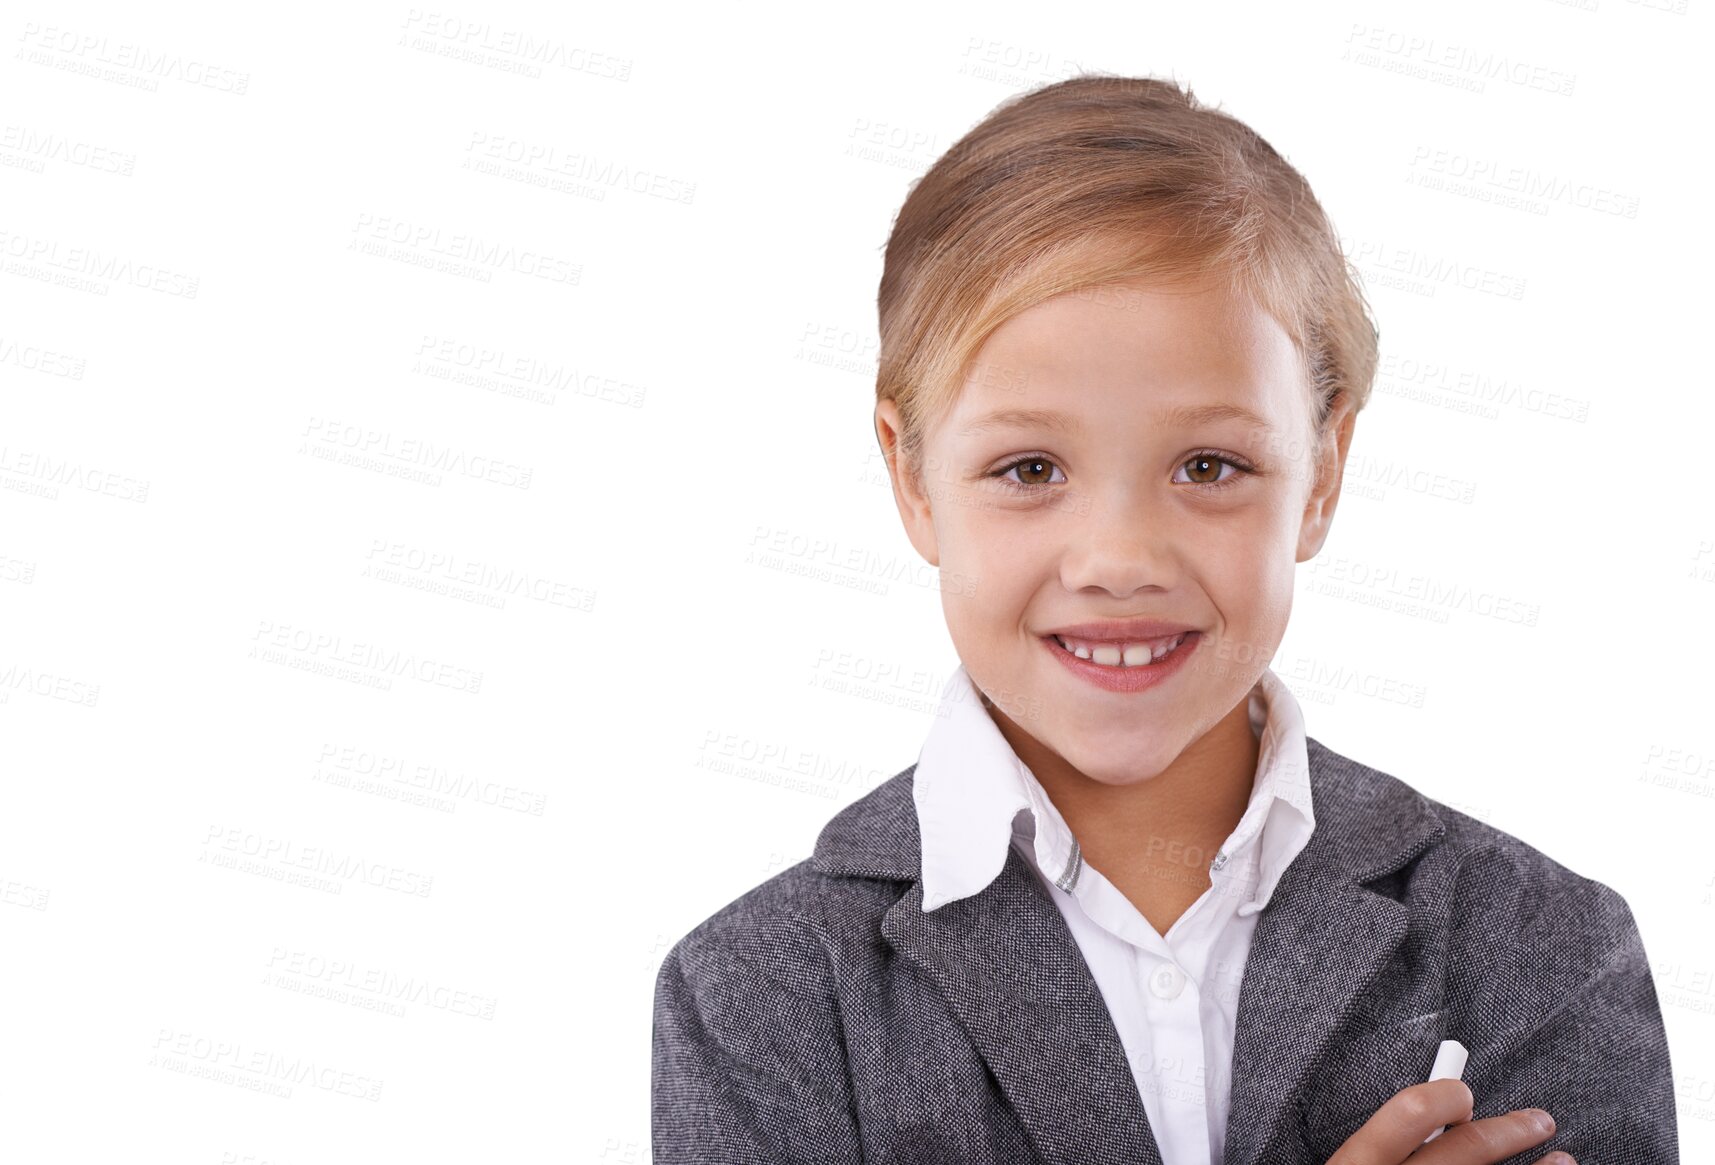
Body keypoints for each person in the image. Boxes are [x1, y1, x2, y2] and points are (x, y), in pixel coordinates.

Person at [651, 73, 1678, 1165]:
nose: (1118, 561)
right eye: (1028, 466)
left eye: (1208, 464)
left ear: (1321, 472)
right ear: (912, 480)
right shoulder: (765, 993)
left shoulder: (1536, 943)